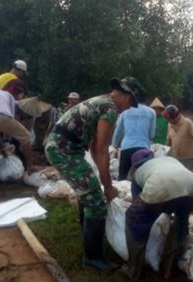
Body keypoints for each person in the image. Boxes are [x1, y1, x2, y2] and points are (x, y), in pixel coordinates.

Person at [45, 76, 145, 271]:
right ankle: (92, 257)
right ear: (127, 98)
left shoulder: (102, 101)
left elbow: (93, 146)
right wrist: (107, 186)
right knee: (97, 202)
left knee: (89, 192)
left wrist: (101, 177)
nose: (127, 109)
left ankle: (87, 235)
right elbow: (101, 149)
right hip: (64, 150)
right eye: (130, 105)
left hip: (63, 147)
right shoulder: (110, 109)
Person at [124, 149, 193, 280]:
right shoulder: (169, 160)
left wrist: (154, 212)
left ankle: (133, 270)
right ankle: (170, 269)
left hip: (160, 187)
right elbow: (176, 187)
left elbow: (139, 198)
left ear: (135, 165)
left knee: (135, 217)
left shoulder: (138, 172)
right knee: (181, 223)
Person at [0, 82, 37, 183]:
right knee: (26, 136)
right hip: (2, 115)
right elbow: (11, 112)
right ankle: (30, 166)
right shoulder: (5, 93)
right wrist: (6, 132)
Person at [112, 98, 156, 180]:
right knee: (142, 178)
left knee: (123, 176)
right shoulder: (151, 112)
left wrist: (115, 145)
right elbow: (152, 134)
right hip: (143, 148)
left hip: (127, 147)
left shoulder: (125, 112)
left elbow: (118, 132)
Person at [163, 104, 193, 173]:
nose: (170, 121)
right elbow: (169, 140)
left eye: (170, 119)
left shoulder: (187, 122)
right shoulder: (169, 125)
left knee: (189, 175)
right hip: (176, 157)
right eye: (168, 120)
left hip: (188, 158)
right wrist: (164, 152)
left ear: (176, 116)